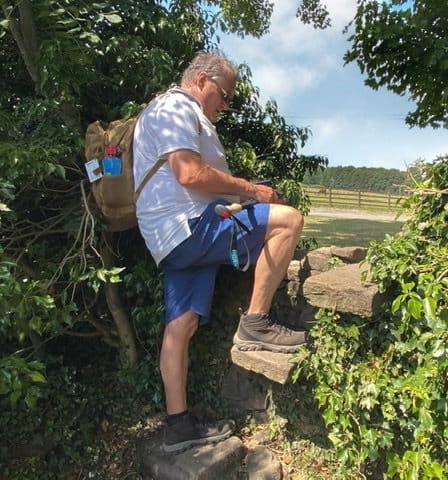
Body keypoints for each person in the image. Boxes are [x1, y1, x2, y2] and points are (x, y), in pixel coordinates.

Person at [132, 50, 307, 453]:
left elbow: (192, 181)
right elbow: (189, 173)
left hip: (171, 241)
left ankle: (178, 427)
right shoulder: (177, 107)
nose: (225, 105)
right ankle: (256, 324)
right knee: (289, 220)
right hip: (190, 227)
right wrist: (252, 190)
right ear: (201, 81)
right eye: (224, 95)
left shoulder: (163, 112)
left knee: (181, 328)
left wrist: (241, 192)